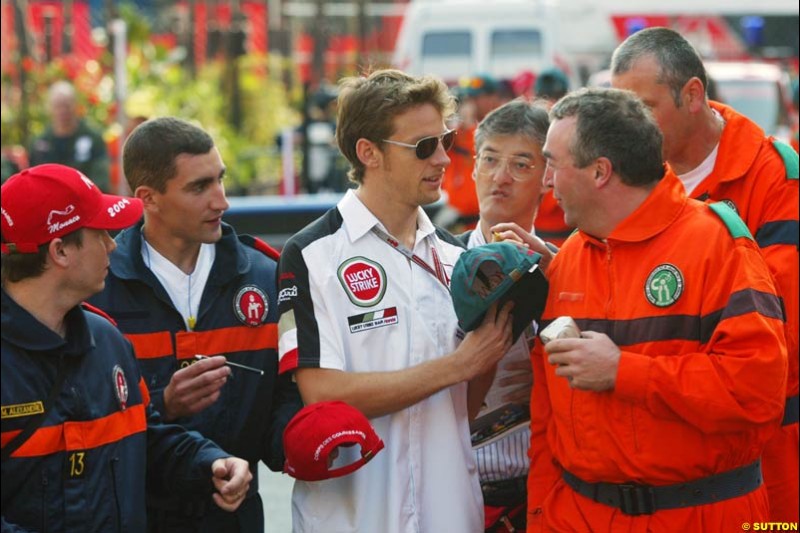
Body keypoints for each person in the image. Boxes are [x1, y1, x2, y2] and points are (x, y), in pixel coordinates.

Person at [525, 87, 787, 531]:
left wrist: (625, 372)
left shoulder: (716, 245)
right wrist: (542, 516)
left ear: (600, 172)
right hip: (578, 516)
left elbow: (758, 392)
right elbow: (546, 422)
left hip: (701, 516)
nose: (545, 181)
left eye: (553, 162)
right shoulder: (568, 260)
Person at [277, 68, 514, 533]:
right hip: (352, 518)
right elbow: (321, 394)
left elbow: (463, 405)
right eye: (424, 146)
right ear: (369, 152)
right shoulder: (311, 254)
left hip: (449, 512)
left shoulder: (456, 257)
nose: (444, 158)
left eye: (445, 140)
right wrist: (458, 366)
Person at [610, 27, 799, 522]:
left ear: (693, 95)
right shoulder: (634, 177)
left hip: (768, 443)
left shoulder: (773, 175)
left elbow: (780, 330)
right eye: (621, 111)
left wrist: (636, 363)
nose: (629, 127)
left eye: (643, 108)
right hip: (664, 442)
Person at [1, 164, 252, 532]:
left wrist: (208, 461)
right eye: (100, 232)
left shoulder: (106, 340)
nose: (112, 244)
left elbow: (144, 439)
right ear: (60, 251)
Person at [88, 117, 302, 533]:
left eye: (220, 180)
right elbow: (78, 422)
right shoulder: (98, 284)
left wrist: (300, 439)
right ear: (148, 198)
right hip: (137, 518)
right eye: (199, 187)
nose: (221, 201)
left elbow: (286, 395)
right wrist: (161, 407)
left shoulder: (264, 275)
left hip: (237, 519)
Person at [458, 98, 550, 532]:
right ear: (473, 167)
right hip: (460, 491)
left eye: (521, 164)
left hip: (550, 490)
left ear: (549, 176)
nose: (500, 177)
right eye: (490, 160)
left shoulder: (568, 266)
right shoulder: (432, 262)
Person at [440, 74, 503, 230]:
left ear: (492, 98)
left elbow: (475, 151)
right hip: (455, 221)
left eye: (475, 98)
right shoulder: (457, 134)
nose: (471, 104)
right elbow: (440, 145)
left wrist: (468, 126)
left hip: (485, 223)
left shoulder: (500, 131)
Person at [29, 81, 111, 192]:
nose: (62, 111)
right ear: (50, 108)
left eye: (66, 105)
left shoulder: (93, 138)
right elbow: (33, 181)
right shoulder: (39, 144)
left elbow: (101, 179)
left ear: (75, 105)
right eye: (58, 106)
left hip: (85, 200)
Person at [531, 67, 574, 247]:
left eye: (556, 96)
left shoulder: (575, 131)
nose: (550, 103)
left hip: (568, 237)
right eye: (545, 96)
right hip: (536, 236)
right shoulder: (529, 131)